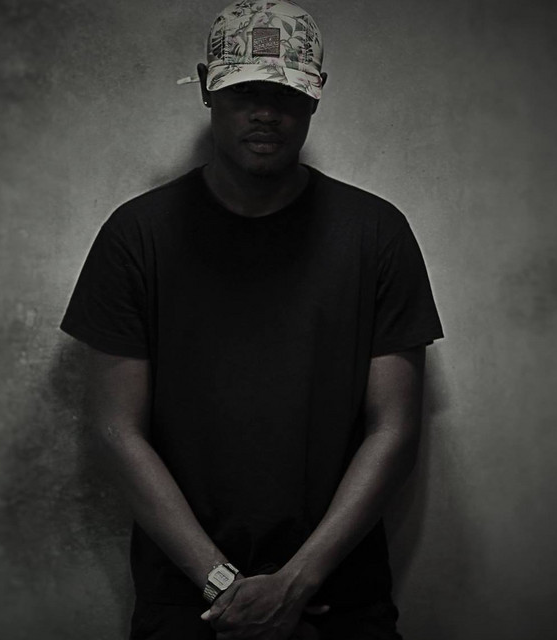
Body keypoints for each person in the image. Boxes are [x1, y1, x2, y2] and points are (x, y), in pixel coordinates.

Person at [60, 1, 443, 638]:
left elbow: (395, 428)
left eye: (286, 93)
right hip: (189, 602)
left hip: (338, 600)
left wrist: (298, 581)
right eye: (245, 92)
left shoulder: (376, 234)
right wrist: (221, 582)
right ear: (207, 85)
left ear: (316, 95)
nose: (266, 112)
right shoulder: (137, 236)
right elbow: (115, 429)